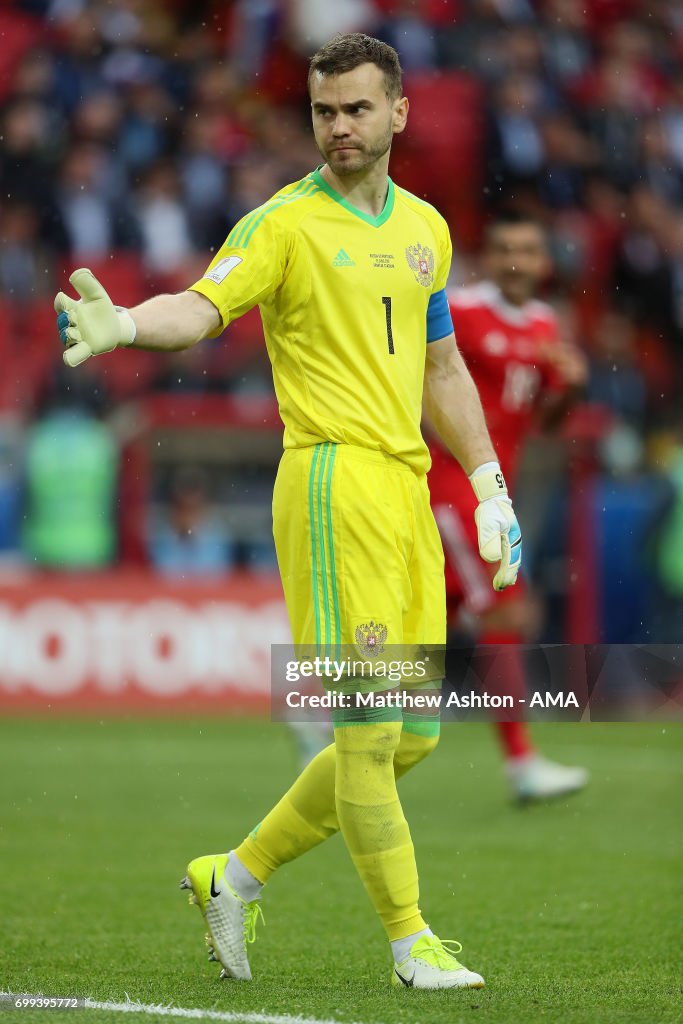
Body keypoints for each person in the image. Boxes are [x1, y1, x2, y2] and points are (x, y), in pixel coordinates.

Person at [54, 34, 521, 991]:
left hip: (403, 490)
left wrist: (486, 483)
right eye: (323, 111)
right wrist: (130, 325)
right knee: (363, 727)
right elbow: (201, 306)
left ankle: (232, 876)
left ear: (398, 112)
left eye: (356, 108)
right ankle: (410, 941)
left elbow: (440, 367)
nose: (338, 127)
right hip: (329, 484)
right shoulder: (281, 224)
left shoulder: (426, 228)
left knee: (416, 737)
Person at [427, 210, 589, 801]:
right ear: (489, 259)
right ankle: (522, 764)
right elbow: (426, 380)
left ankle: (327, 715)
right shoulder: (462, 312)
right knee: (505, 613)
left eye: (527, 249)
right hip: (452, 487)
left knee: (427, 620)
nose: (516, 260)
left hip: (494, 493)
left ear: (545, 263)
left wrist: (568, 386)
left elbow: (545, 420)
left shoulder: (546, 325)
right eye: (504, 248)